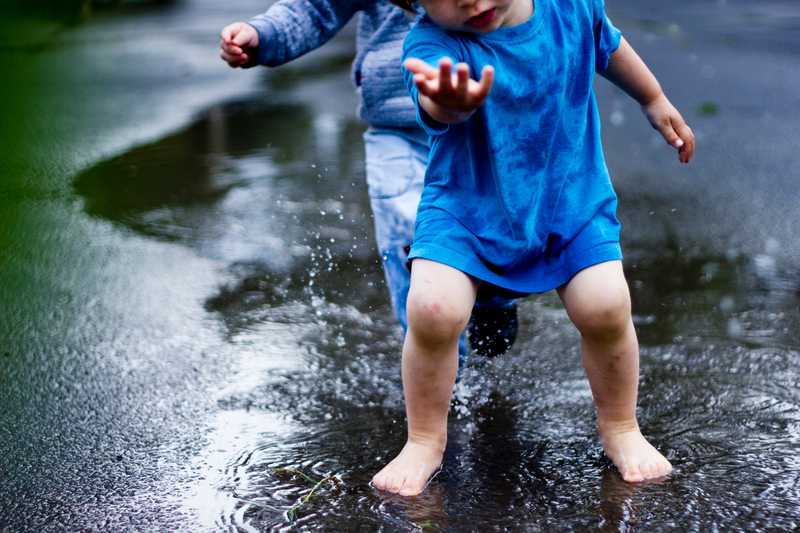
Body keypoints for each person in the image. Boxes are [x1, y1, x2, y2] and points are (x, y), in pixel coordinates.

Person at [370, 0, 694, 496]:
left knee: (606, 306)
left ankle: (621, 427)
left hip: (569, 202)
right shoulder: (434, 44)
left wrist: (653, 98)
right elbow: (439, 103)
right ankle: (424, 438)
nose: (470, 2)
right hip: (467, 208)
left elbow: (606, 43)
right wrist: (451, 100)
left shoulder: (570, 6)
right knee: (432, 310)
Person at [219, 0, 518, 360]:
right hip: (400, 129)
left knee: (500, 235)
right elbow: (317, 8)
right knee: (411, 243)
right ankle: (437, 365)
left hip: (488, 128)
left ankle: (494, 297)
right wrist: (264, 35)